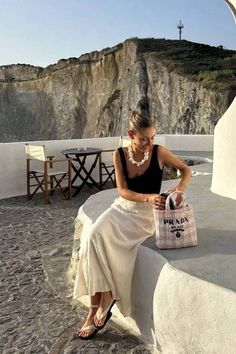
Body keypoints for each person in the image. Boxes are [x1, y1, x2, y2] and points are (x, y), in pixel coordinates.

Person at [73, 110, 191, 340]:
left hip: (146, 217)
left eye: (152, 138)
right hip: (123, 208)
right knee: (92, 237)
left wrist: (178, 191)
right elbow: (123, 191)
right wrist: (146, 196)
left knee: (99, 244)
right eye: (144, 138)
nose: (149, 143)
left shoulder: (159, 152)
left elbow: (186, 170)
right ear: (131, 135)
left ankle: (94, 312)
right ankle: (103, 299)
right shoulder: (119, 154)